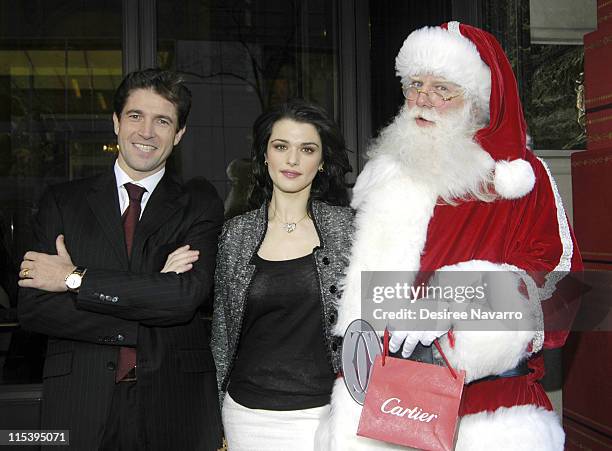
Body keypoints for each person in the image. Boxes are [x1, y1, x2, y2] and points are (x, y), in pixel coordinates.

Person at [318, 23, 583, 450]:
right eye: (414, 85)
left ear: (475, 102)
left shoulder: (516, 178)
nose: (422, 99)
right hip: (382, 411)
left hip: (484, 413)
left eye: (442, 88)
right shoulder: (386, 174)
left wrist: (461, 299)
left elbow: (561, 287)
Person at [17, 69, 224, 451]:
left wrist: (73, 278)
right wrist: (150, 297)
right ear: (115, 122)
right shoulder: (62, 202)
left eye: (162, 121)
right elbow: (34, 308)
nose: (147, 132)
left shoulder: (199, 202)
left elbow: (183, 299)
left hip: (174, 406)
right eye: (135, 116)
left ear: (178, 135)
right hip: (80, 400)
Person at [211, 99, 352, 451]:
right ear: (264, 156)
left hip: (326, 414)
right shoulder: (235, 234)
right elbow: (222, 335)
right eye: (280, 147)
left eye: (307, 149)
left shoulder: (348, 230)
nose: (292, 160)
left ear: (321, 163)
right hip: (247, 415)